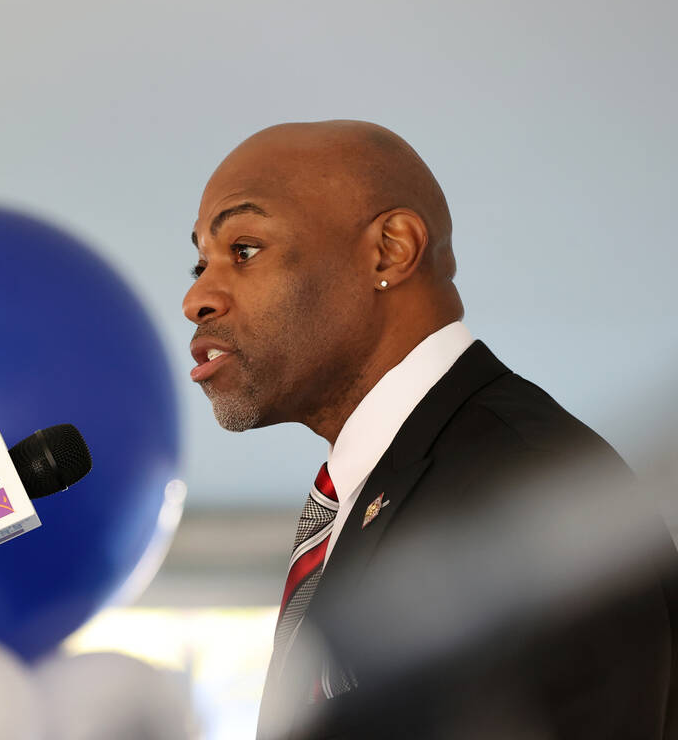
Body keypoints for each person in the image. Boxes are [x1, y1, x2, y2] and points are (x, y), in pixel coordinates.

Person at [182, 120, 678, 739]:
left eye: (244, 250)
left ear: (391, 249)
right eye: (199, 262)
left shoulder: (523, 486)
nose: (197, 297)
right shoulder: (386, 486)